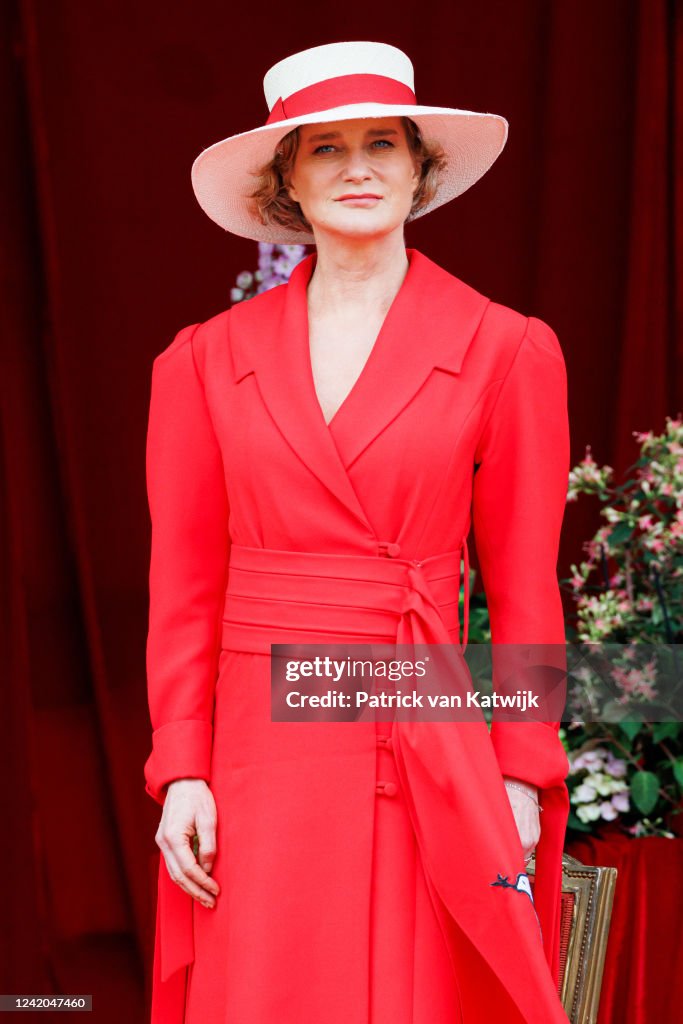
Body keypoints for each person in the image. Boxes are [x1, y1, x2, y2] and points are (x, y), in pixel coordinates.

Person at [144, 40, 571, 1024]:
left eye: (381, 143)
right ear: (287, 181)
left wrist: (518, 772)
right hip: (259, 752)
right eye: (325, 149)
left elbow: (521, 586)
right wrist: (184, 770)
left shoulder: (505, 349)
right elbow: (183, 588)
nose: (358, 168)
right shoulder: (202, 363)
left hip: (420, 732)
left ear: (418, 171)